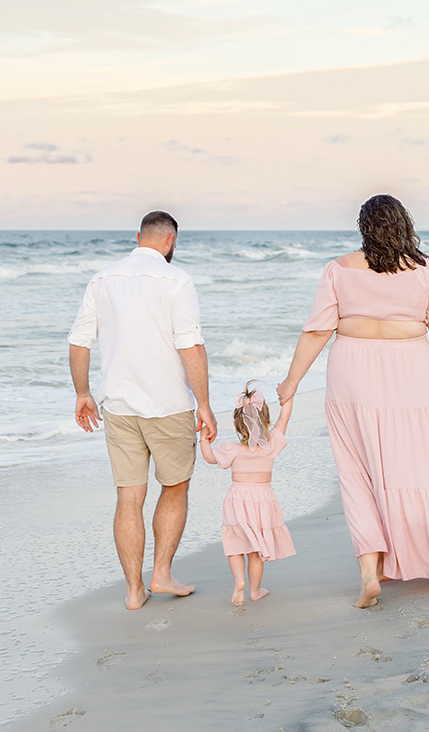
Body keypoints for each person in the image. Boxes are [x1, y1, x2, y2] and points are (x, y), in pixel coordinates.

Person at [276, 194, 429, 609]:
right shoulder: (423, 270)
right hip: (409, 375)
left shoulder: (338, 269)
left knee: (357, 472)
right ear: (403, 225)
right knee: (424, 463)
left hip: (351, 375)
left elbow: (317, 332)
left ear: (364, 227)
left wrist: (291, 381)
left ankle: (369, 572)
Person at [69, 210, 217, 611]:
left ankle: (134, 591)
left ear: (139, 237)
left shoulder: (103, 279)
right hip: (168, 404)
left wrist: (82, 393)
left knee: (128, 497)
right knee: (175, 486)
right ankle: (162, 573)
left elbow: (80, 342)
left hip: (117, 405)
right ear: (170, 242)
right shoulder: (176, 279)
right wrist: (203, 404)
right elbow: (190, 345)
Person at [198, 381, 296, 606]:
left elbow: (210, 458)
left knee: (235, 544)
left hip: (236, 500)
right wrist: (287, 396)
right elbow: (285, 419)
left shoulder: (232, 449)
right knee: (255, 550)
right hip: (262, 501)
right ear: (267, 422)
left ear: (236, 424)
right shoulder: (270, 445)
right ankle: (254, 590)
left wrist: (204, 438)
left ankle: (239, 580)